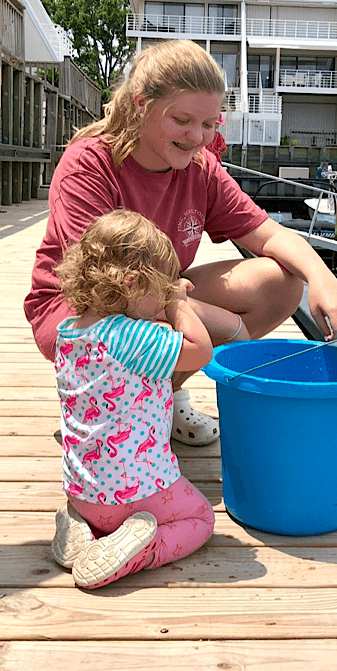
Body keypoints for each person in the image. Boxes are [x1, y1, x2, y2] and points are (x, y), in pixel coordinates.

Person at [24, 39, 337, 445]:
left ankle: (159, 397)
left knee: (283, 282)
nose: (197, 137)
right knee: (150, 314)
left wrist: (323, 279)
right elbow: (106, 284)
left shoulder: (201, 168)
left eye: (209, 124)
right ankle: (98, 403)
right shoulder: (89, 163)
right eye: (182, 120)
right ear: (141, 104)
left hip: (161, 295)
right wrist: (226, 326)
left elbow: (269, 234)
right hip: (84, 305)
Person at [51, 209, 218, 589]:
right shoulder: (132, 338)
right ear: (131, 284)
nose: (161, 302)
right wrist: (179, 302)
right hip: (133, 496)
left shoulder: (68, 333)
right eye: (158, 291)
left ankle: (82, 526)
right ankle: (142, 550)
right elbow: (201, 349)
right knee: (200, 519)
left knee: (100, 505)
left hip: (83, 493)